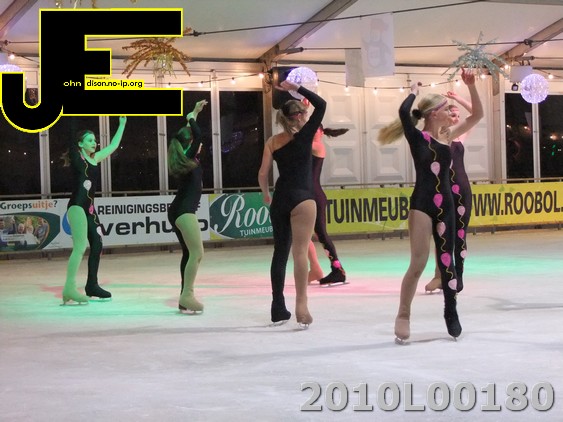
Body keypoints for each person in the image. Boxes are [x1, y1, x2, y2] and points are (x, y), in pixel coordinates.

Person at [377, 68, 483, 343]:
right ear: (433, 114)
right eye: (446, 109)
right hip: (422, 205)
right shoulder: (418, 138)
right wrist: (413, 92)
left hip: (446, 205)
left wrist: (471, 86)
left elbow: (477, 115)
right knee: (419, 263)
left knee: (448, 262)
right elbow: (404, 113)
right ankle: (403, 314)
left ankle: (451, 311)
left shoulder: (448, 136)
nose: (451, 112)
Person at [258, 80, 326, 328]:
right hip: (303, 199)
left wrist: (266, 194)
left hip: (281, 199)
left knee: (280, 253)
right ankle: (301, 305)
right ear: (301, 116)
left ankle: (278, 306)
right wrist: (297, 88)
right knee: (300, 253)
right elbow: (322, 105)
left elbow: (263, 173)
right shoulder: (306, 135)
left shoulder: (272, 141)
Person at [62, 116, 127, 304]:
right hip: (76, 207)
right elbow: (70, 132)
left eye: (94, 140)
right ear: (80, 144)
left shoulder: (95, 159)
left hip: (89, 209)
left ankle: (92, 285)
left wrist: (122, 124)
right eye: (89, 140)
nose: (94, 143)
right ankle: (69, 288)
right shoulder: (77, 158)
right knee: (80, 247)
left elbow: (113, 145)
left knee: (97, 244)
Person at [425, 92, 474, 293]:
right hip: (442, 190)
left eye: (457, 116)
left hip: (461, 189)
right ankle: (442, 275)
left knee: (460, 234)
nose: (455, 119)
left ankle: (458, 278)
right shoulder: (435, 137)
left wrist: (458, 98)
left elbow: (475, 112)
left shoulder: (459, 136)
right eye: (452, 114)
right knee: (442, 234)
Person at [167, 100, 208, 314]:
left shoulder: (185, 156)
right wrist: (191, 116)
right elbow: (198, 135)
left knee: (188, 253)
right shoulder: (187, 156)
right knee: (197, 252)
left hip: (178, 210)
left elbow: (191, 135)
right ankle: (187, 295)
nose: (199, 144)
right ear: (190, 143)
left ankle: (184, 299)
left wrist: (194, 113)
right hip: (183, 211)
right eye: (194, 142)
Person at [307, 124, 349, 286]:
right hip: (311, 194)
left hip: (315, 196)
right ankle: (318, 268)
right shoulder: (311, 145)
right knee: (313, 234)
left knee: (321, 234)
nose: (312, 133)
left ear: (321, 133)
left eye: (315, 130)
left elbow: (299, 142)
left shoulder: (317, 146)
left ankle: (338, 270)